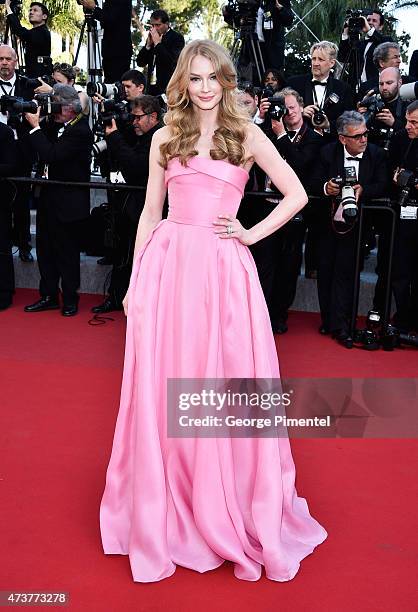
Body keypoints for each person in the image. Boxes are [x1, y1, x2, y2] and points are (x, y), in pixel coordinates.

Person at [100, 39, 327, 583]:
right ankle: (169, 497)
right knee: (164, 383)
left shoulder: (246, 135)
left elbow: (296, 195)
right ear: (183, 81)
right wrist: (134, 282)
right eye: (194, 78)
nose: (204, 88)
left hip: (222, 272)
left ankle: (221, 498)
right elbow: (150, 213)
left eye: (212, 78)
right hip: (169, 267)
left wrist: (251, 233)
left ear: (227, 81)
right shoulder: (163, 137)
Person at [309, 111, 388, 342]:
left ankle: (344, 325)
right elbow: (312, 182)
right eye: (358, 136)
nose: (364, 139)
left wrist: (364, 190)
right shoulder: (326, 152)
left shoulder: (376, 155)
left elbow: (383, 184)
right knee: (326, 272)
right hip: (327, 225)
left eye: (365, 134)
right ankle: (329, 321)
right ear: (343, 138)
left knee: (346, 273)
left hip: (358, 226)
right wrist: (327, 188)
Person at [23, 85, 93, 316]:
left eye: (57, 105)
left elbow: (53, 155)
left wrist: (36, 129)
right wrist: (38, 119)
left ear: (70, 108)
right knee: (45, 251)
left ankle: (70, 298)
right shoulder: (54, 125)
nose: (54, 111)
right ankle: (49, 295)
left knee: (67, 254)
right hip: (48, 199)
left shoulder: (81, 131)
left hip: (69, 204)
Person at [91, 95, 163, 313]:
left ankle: (138, 303)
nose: (134, 122)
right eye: (132, 118)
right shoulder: (138, 134)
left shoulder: (158, 138)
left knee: (139, 259)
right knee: (123, 256)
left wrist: (113, 138)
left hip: (145, 211)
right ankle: (117, 297)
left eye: (138, 118)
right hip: (129, 208)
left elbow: (136, 167)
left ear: (153, 116)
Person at [0, 44, 37, 262]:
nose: (4, 63)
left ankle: (24, 244)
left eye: (8, 59)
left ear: (15, 62)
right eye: (0, 59)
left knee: (22, 200)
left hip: (22, 148)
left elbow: (37, 110)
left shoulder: (27, 85)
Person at [287, 41, 354, 138]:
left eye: (320, 60)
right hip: (300, 143)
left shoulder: (343, 88)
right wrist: (300, 112)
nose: (316, 63)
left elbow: (349, 120)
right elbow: (283, 109)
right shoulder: (294, 83)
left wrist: (328, 125)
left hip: (330, 144)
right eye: (313, 59)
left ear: (332, 63)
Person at [78, 0, 133, 83]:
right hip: (111, 51)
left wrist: (94, 8)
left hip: (118, 52)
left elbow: (110, 20)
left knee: (116, 85)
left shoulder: (120, 3)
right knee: (110, 82)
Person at [136, 10, 185, 96]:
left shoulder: (177, 38)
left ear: (167, 24)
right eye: (152, 25)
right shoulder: (152, 39)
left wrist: (158, 44)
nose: (154, 28)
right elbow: (140, 62)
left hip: (168, 88)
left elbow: (172, 62)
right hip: (151, 90)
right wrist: (147, 46)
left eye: (158, 25)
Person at [337, 9, 392, 86]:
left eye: (374, 21)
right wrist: (345, 32)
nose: (370, 22)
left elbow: (387, 49)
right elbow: (342, 57)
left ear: (381, 27)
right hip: (355, 89)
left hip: (375, 87)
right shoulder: (358, 44)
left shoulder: (386, 40)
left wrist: (369, 30)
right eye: (368, 20)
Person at [5, 0, 51, 78]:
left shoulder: (42, 32)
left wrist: (8, 7)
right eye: (30, 10)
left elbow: (20, 31)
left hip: (39, 78)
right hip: (35, 75)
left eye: (35, 10)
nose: (31, 12)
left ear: (44, 16)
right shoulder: (37, 31)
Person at [0, 122, 18, 311]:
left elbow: (11, 165)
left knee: (1, 247)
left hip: (1, 201)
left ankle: (4, 293)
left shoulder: (4, 133)